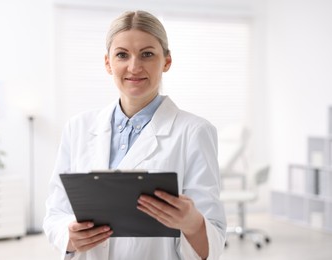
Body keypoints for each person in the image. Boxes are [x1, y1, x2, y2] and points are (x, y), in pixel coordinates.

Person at [43, 10, 226, 260]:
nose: (134, 67)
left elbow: (212, 243)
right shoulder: (78, 128)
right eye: (122, 55)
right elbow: (55, 212)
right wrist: (69, 237)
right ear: (108, 63)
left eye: (147, 54)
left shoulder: (195, 132)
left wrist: (192, 222)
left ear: (167, 61)